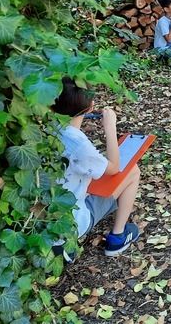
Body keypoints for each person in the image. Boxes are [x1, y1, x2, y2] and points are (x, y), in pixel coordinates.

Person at [52, 77, 141, 258]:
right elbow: (114, 168)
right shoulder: (78, 144)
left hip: (44, 220)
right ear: (91, 107)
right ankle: (117, 238)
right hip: (72, 222)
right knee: (132, 170)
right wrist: (110, 128)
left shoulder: (44, 129)